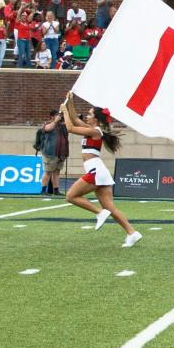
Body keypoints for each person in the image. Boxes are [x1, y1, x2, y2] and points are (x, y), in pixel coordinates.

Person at [60, 94, 143, 247]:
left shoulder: (95, 131)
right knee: (110, 207)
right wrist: (70, 101)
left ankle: (99, 212)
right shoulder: (91, 129)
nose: (87, 117)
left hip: (95, 171)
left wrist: (63, 110)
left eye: (90, 114)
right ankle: (132, 233)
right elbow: (75, 119)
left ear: (96, 119)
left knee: (70, 196)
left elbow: (70, 127)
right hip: (99, 171)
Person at [34, 108, 67, 195]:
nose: (60, 117)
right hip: (50, 153)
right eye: (57, 115)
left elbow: (72, 127)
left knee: (57, 172)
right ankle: (43, 190)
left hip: (61, 154)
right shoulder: (48, 124)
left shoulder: (63, 125)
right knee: (48, 172)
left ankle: (56, 190)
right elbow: (48, 129)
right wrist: (55, 121)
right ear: (52, 117)